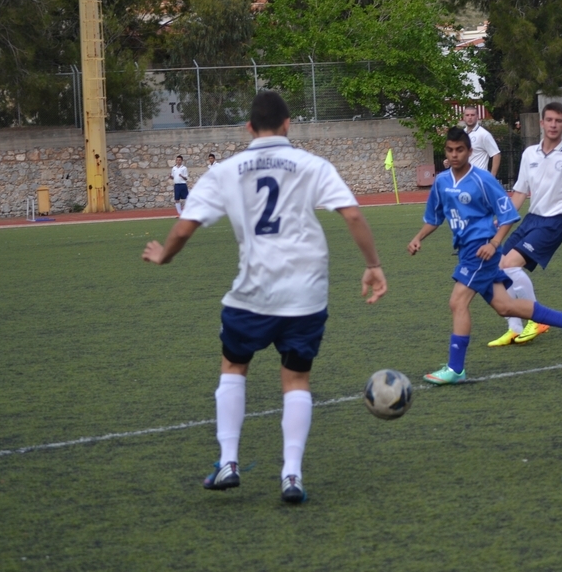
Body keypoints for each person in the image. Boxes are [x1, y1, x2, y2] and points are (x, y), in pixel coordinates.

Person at [142, 91, 387, 504]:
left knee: (234, 365)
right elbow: (352, 213)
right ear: (288, 124)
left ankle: (228, 461)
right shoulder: (312, 164)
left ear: (249, 128)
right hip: (306, 292)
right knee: (296, 379)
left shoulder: (227, 170)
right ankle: (291, 474)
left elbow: (185, 226)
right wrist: (373, 265)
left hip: (253, 292)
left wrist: (165, 254)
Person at [408, 127, 562, 385]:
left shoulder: (483, 179)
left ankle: (456, 369)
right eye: (450, 150)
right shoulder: (442, 181)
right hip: (465, 251)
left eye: (460, 150)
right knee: (505, 307)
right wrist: (418, 237)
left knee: (458, 302)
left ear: (469, 151)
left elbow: (508, 215)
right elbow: (435, 218)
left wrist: (494, 243)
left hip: (480, 250)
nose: (455, 155)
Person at [488, 102, 562, 347]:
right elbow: (520, 192)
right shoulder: (529, 154)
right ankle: (515, 328)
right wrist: (503, 218)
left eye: (558, 121)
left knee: (510, 264)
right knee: (497, 267)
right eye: (550, 120)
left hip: (554, 222)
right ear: (542, 123)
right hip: (532, 219)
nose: (553, 125)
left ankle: (538, 319)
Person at [463, 105, 502, 177]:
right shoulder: (462, 134)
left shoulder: (484, 134)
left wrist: (491, 177)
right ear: (464, 117)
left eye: (472, 115)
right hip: (464, 177)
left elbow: (496, 154)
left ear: (477, 116)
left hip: (479, 178)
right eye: (467, 115)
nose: (470, 117)